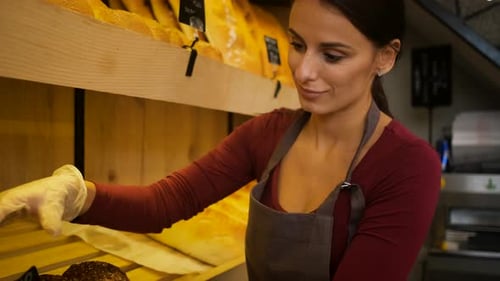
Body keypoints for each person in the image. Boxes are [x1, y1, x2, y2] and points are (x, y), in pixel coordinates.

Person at [0, 0, 441, 280]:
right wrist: (77, 194)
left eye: (332, 55)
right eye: (296, 44)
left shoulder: (407, 167)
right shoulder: (269, 135)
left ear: (385, 57)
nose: (303, 72)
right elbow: (166, 202)